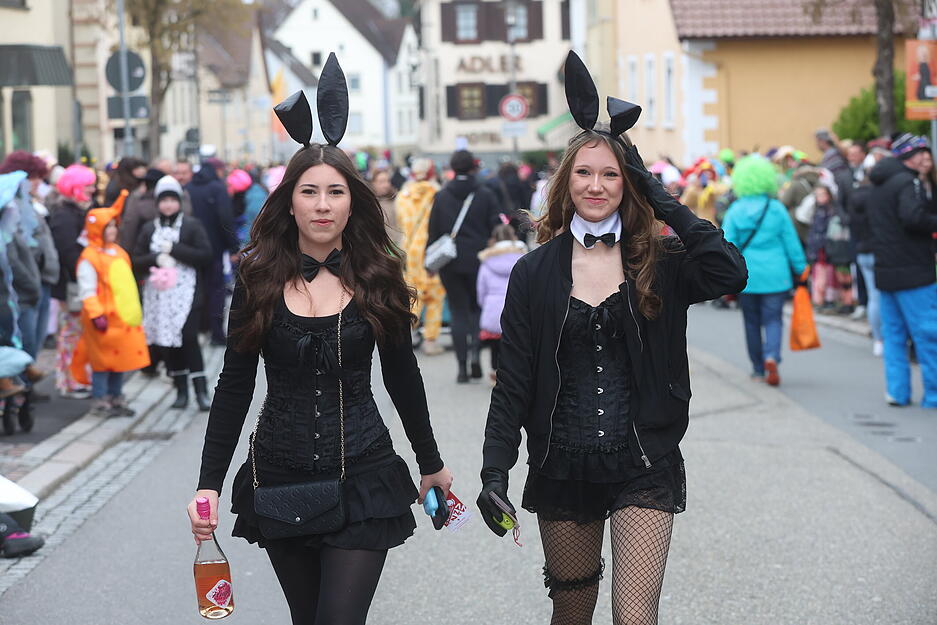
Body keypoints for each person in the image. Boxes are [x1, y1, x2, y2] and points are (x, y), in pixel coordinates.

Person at [477, 51, 747, 625]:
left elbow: (730, 273)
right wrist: (494, 471)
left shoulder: (661, 259)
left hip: (643, 459)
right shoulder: (535, 272)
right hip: (561, 462)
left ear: (629, 184)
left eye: (611, 174)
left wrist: (661, 195)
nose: (596, 186)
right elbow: (514, 380)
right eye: (584, 173)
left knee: (634, 615)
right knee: (572, 613)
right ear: (565, 180)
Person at [187, 64, 452, 625]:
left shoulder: (379, 275)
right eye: (310, 192)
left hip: (363, 473)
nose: (323, 204)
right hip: (280, 476)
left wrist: (431, 464)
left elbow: (403, 376)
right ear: (289, 202)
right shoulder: (256, 279)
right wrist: (208, 484)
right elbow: (234, 386)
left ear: (353, 202)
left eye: (335, 192)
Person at [721, 155, 807, 385]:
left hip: (747, 276)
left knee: (751, 322)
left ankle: (758, 369)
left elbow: (726, 244)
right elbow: (791, 242)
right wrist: (801, 268)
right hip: (776, 274)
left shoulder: (735, 210)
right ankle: (772, 357)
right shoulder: (777, 209)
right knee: (774, 320)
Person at [133, 176, 213, 411]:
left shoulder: (192, 225)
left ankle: (201, 391)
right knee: (170, 342)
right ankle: (181, 392)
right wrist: (155, 258)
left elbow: (205, 255)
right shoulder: (148, 228)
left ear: (179, 201)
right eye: (164, 200)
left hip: (187, 294)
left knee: (188, 339)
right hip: (159, 297)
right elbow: (136, 260)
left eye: (172, 200)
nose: (168, 205)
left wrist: (175, 250)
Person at [868, 134, 937, 407]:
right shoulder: (909, 182)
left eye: (926, 151)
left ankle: (897, 392)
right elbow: (912, 217)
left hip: (886, 270)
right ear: (908, 155)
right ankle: (933, 394)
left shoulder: (879, 183)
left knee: (894, 337)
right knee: (928, 335)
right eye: (919, 152)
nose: (924, 157)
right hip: (914, 271)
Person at [426, 149, 503, 382]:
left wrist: (429, 263)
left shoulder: (441, 196)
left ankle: (461, 368)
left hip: (450, 262)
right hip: (480, 260)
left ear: (452, 168)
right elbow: (496, 227)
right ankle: (476, 356)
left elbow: (434, 231)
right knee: (478, 309)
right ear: (473, 167)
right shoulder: (485, 194)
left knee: (458, 310)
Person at [72, 191, 150, 417]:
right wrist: (96, 314)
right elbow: (87, 290)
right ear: (97, 229)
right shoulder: (89, 257)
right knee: (102, 363)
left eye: (114, 226)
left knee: (120, 360)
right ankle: (101, 400)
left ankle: (116, 398)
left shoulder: (118, 252)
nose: (112, 231)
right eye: (108, 227)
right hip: (103, 320)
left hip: (121, 319)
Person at [48, 164, 97, 398]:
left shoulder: (76, 210)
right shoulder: (64, 215)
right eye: (89, 185)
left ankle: (76, 378)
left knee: (77, 333)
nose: (93, 189)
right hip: (71, 285)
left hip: (78, 282)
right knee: (71, 334)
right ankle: (69, 380)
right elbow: (68, 253)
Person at [396, 158, 445, 356]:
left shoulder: (403, 195)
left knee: (412, 294)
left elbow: (400, 222)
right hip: (430, 250)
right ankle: (430, 341)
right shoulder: (437, 193)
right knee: (434, 295)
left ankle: (407, 334)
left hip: (410, 250)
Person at [187, 158, 238, 345]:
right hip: (215, 248)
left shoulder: (190, 187)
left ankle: (201, 328)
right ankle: (217, 333)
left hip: (192, 249)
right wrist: (233, 246)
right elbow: (225, 218)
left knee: (196, 290)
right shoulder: (217, 188)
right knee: (216, 291)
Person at [476, 222, 527, 384]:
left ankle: (494, 371)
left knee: (494, 346)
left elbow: (481, 288)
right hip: (516, 308)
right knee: (514, 345)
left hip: (492, 308)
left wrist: (484, 304)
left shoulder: (487, 261)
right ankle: (512, 374)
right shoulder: (523, 259)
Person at [806, 185, 853, 312]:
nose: (819, 197)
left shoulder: (833, 211)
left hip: (833, 248)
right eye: (817, 195)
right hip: (819, 249)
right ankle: (822, 300)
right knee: (821, 275)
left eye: (822, 194)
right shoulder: (816, 210)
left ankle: (836, 300)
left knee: (838, 275)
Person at [370, 168, 399, 245]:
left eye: (387, 181)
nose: (386, 185)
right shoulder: (369, 203)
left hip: (396, 244)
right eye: (381, 182)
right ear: (374, 183)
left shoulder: (397, 200)